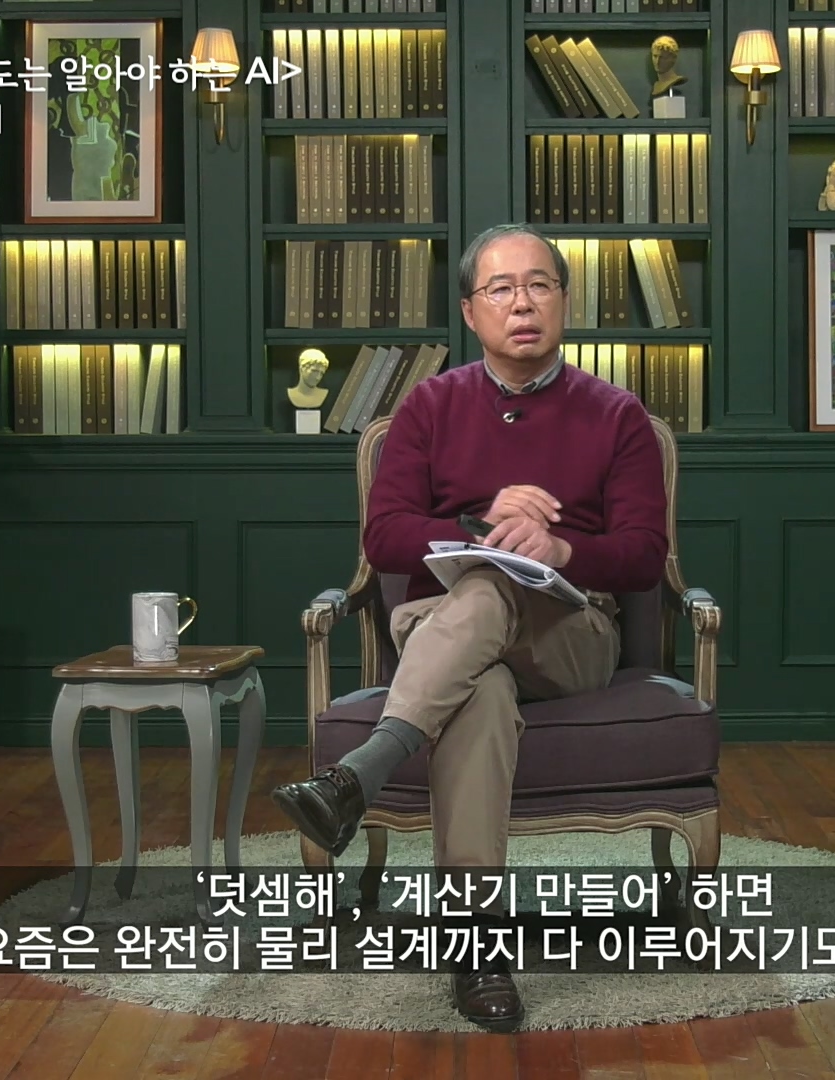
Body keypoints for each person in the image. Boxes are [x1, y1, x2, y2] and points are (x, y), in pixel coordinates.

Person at [270, 223, 669, 1032]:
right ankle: (477, 946)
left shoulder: (616, 414)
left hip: (570, 631)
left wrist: (562, 548)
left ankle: (361, 773)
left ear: (564, 301)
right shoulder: (428, 407)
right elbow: (385, 538)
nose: (522, 303)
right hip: (444, 628)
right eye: (501, 289)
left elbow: (642, 555)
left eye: (539, 285)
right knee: (479, 689)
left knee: (496, 585)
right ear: (470, 310)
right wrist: (476, 520)